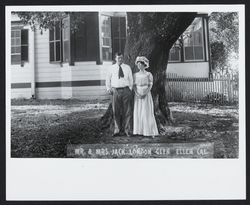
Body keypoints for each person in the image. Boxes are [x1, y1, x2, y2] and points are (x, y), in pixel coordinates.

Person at [106, 52, 133, 137]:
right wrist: (108, 88)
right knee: (116, 111)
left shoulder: (127, 67)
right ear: (115, 59)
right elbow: (107, 79)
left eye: (121, 58)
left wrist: (130, 89)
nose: (120, 59)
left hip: (126, 90)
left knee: (127, 111)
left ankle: (127, 130)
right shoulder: (111, 68)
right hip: (115, 91)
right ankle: (117, 130)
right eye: (118, 58)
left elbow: (131, 79)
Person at [133, 56, 159, 137]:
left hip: (146, 94)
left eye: (140, 64)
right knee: (139, 111)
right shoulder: (135, 75)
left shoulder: (148, 74)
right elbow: (134, 86)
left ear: (144, 65)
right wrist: (137, 93)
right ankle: (139, 130)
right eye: (138, 64)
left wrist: (145, 93)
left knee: (146, 111)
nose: (138, 65)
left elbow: (150, 85)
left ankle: (148, 131)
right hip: (138, 94)